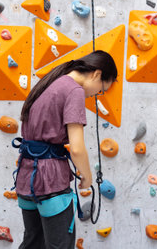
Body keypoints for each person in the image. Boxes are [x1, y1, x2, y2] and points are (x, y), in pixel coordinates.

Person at [13, 50, 117, 249]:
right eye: (102, 89)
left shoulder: (51, 82)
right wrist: (86, 177)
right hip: (50, 180)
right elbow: (77, 148)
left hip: (27, 177)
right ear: (96, 74)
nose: (97, 94)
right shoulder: (74, 90)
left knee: (32, 243)